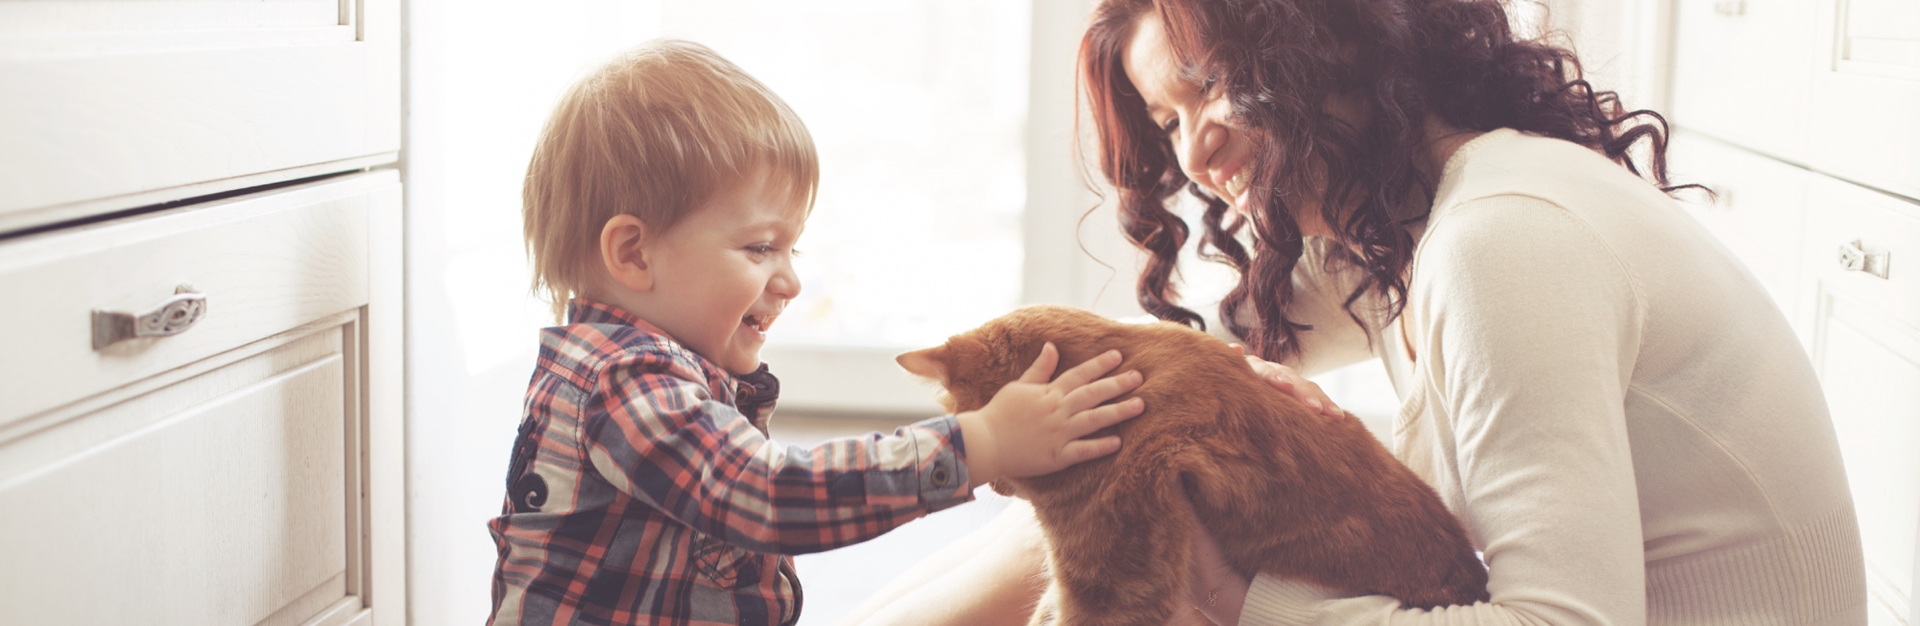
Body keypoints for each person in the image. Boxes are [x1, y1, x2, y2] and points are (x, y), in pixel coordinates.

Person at [847, 1, 1866, 625]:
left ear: (1327, 45)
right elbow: (1177, 379)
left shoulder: (1507, 240)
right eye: (1168, 118)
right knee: (1126, 446)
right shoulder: (1406, 223)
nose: (1193, 153)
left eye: (1211, 90)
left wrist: (1238, 607)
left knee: (1137, 499)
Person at [489, 39, 1150, 626]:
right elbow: (769, 493)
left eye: (792, 250)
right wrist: (983, 440)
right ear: (634, 254)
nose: (789, 282)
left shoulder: (652, 371)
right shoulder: (619, 383)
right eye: (759, 248)